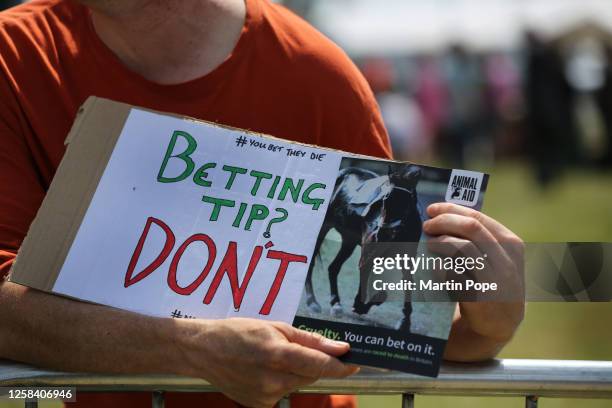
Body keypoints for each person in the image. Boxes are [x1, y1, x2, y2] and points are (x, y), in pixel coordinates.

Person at [0, 1, 525, 407]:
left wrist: (487, 327)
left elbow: (385, 325)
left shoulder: (321, 80)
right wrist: (186, 347)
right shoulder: (15, 57)